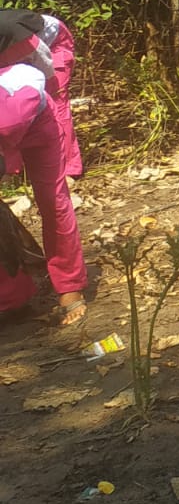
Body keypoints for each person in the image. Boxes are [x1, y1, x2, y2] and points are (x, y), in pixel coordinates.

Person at [0, 59, 88, 325]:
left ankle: (70, 285)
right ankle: (12, 298)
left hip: (38, 122)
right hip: (7, 130)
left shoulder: (19, 98)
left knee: (53, 201)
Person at [0, 10, 82, 177]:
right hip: (21, 51)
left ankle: (69, 168)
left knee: (55, 105)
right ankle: (13, 168)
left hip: (52, 45)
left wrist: (49, 84)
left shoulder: (9, 29)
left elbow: (42, 55)